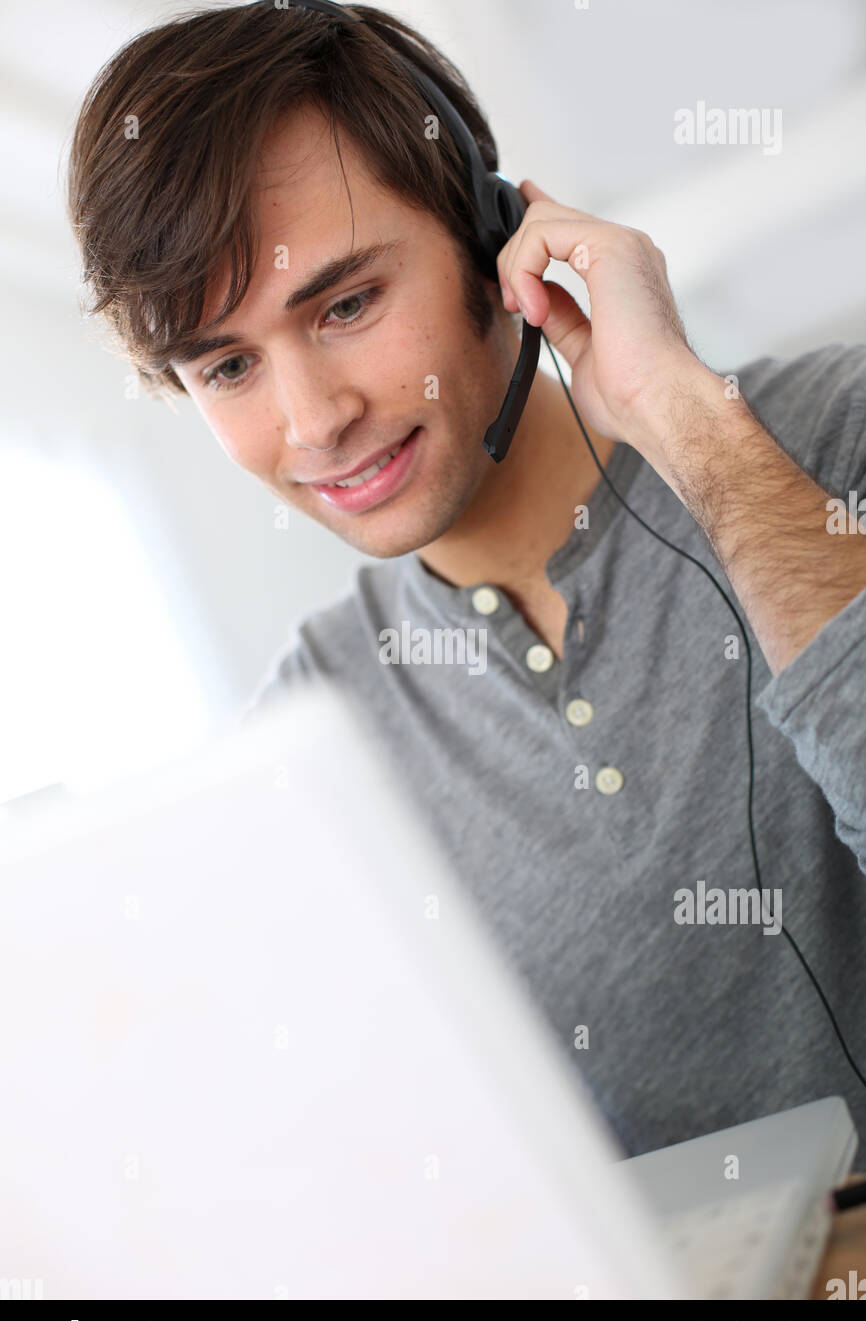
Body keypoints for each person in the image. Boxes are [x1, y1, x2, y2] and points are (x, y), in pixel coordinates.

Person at [66, 2, 866, 1159]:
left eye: (345, 305)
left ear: (494, 240)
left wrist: (688, 422)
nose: (312, 422)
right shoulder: (310, 740)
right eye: (228, 366)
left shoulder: (830, 442)